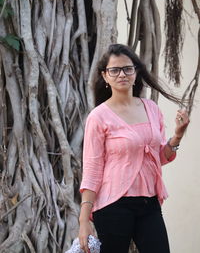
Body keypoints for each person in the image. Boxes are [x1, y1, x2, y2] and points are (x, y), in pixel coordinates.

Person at [78, 44, 190, 253]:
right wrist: (84, 220)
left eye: (127, 68)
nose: (122, 74)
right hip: (113, 205)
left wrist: (178, 135)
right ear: (105, 76)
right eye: (114, 70)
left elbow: (158, 158)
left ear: (136, 72)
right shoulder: (98, 117)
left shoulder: (151, 109)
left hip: (149, 204)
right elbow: (92, 170)